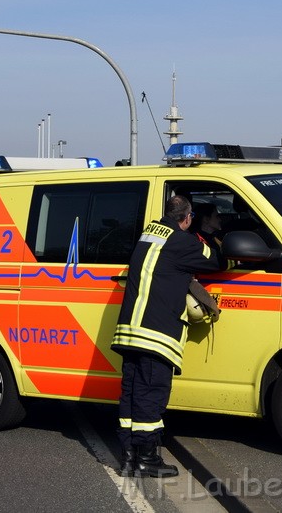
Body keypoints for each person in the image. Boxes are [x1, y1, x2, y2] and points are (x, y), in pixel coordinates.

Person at [111, 195, 219, 478]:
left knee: (130, 397)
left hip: (130, 333)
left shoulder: (149, 233)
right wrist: (205, 234)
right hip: (155, 335)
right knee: (151, 397)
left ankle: (128, 457)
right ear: (187, 217)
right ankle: (147, 458)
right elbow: (216, 260)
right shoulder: (182, 242)